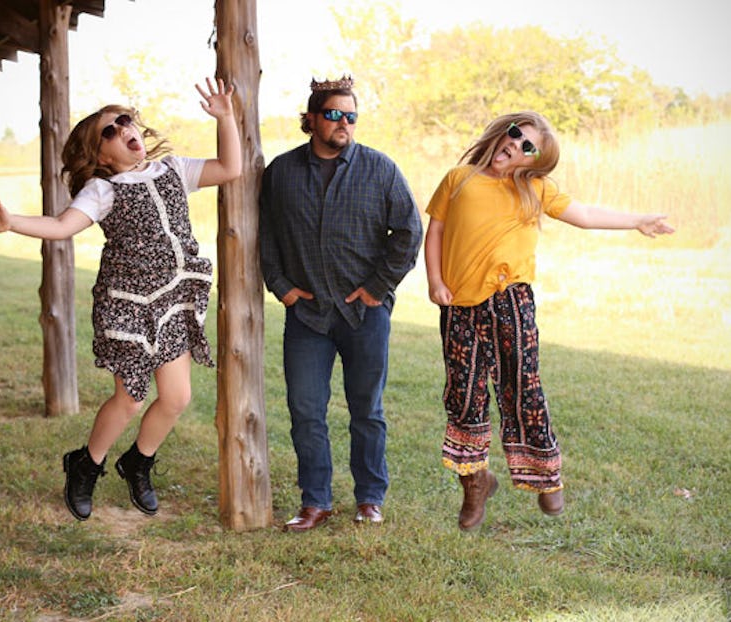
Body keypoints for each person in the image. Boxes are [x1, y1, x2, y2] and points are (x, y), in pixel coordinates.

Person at [0, 77, 241, 521]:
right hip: (128, 305)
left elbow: (230, 167)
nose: (123, 130)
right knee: (130, 398)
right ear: (99, 156)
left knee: (176, 397)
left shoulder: (173, 169)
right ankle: (86, 464)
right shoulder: (102, 190)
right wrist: (11, 222)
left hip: (173, 299)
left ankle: (138, 461)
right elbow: (61, 227)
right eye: (108, 132)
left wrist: (225, 117)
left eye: (125, 121)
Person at [424, 111, 674, 531]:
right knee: (464, 397)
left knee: (522, 386)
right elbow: (435, 232)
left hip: (511, 301)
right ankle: (475, 483)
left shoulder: (534, 190)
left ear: (533, 161)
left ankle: (546, 475)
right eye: (516, 135)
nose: (516, 146)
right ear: (503, 130)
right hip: (459, 306)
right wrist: (435, 281)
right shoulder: (458, 178)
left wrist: (637, 221)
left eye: (529, 148)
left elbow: (587, 214)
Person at [259, 75, 423, 531]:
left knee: (366, 410)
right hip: (307, 315)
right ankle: (316, 501)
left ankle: (369, 498)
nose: (343, 123)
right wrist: (281, 285)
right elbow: (266, 234)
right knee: (305, 410)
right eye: (333, 115)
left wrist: (377, 287)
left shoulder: (380, 169)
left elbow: (408, 232)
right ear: (310, 119)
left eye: (351, 116)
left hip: (364, 314)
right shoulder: (282, 172)